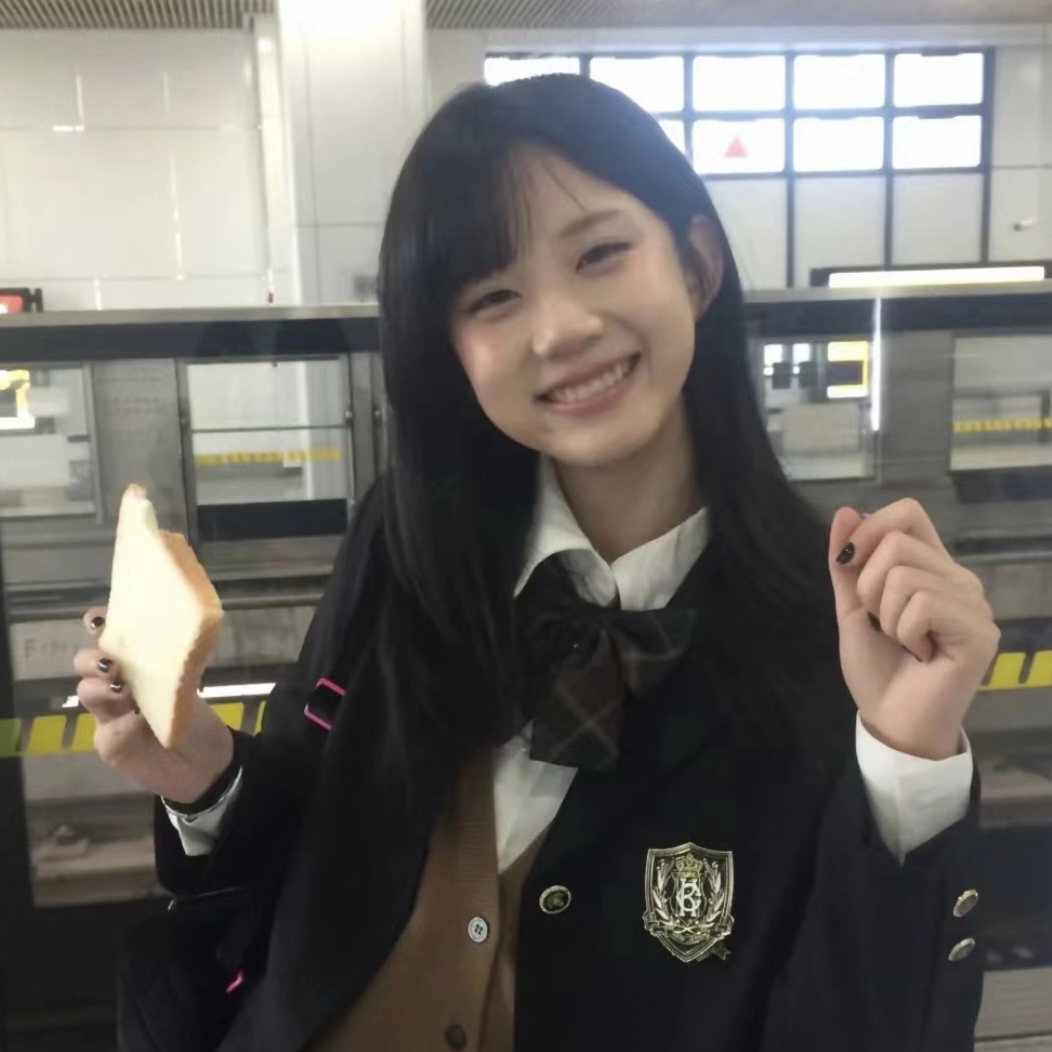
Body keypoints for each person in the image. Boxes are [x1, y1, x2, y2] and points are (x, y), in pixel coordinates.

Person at [75, 75, 999, 1052]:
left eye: (599, 254)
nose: (558, 329)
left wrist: (907, 761)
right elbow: (310, 835)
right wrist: (204, 775)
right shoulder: (402, 541)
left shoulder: (838, 622)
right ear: (451, 349)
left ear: (696, 263)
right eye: (493, 296)